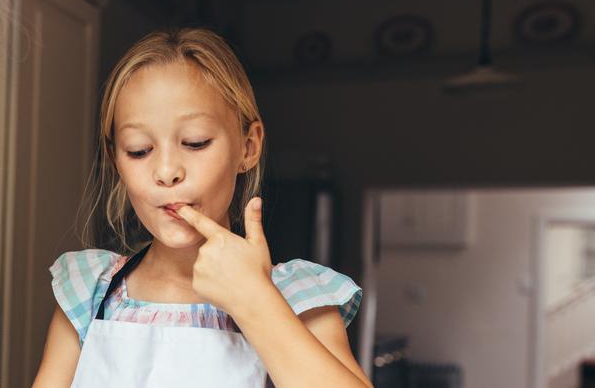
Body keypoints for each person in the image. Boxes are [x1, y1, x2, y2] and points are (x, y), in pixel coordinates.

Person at [33, 29, 373, 387]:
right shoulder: (89, 292)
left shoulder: (299, 297)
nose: (166, 172)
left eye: (195, 143)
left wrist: (255, 300)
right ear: (115, 159)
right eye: (138, 149)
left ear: (248, 146)